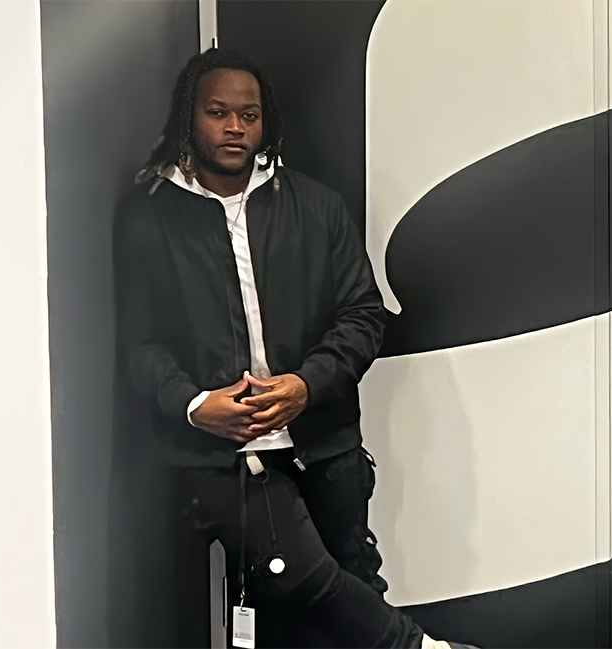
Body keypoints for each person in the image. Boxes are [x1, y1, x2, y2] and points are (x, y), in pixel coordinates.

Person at [114, 48, 473, 649]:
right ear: (189, 116)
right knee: (297, 599)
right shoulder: (149, 218)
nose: (235, 127)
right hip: (221, 458)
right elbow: (141, 345)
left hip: (324, 446)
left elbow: (363, 315)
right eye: (218, 112)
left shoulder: (316, 207)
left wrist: (306, 385)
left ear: (266, 122)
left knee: (351, 588)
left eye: (249, 115)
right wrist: (196, 405)